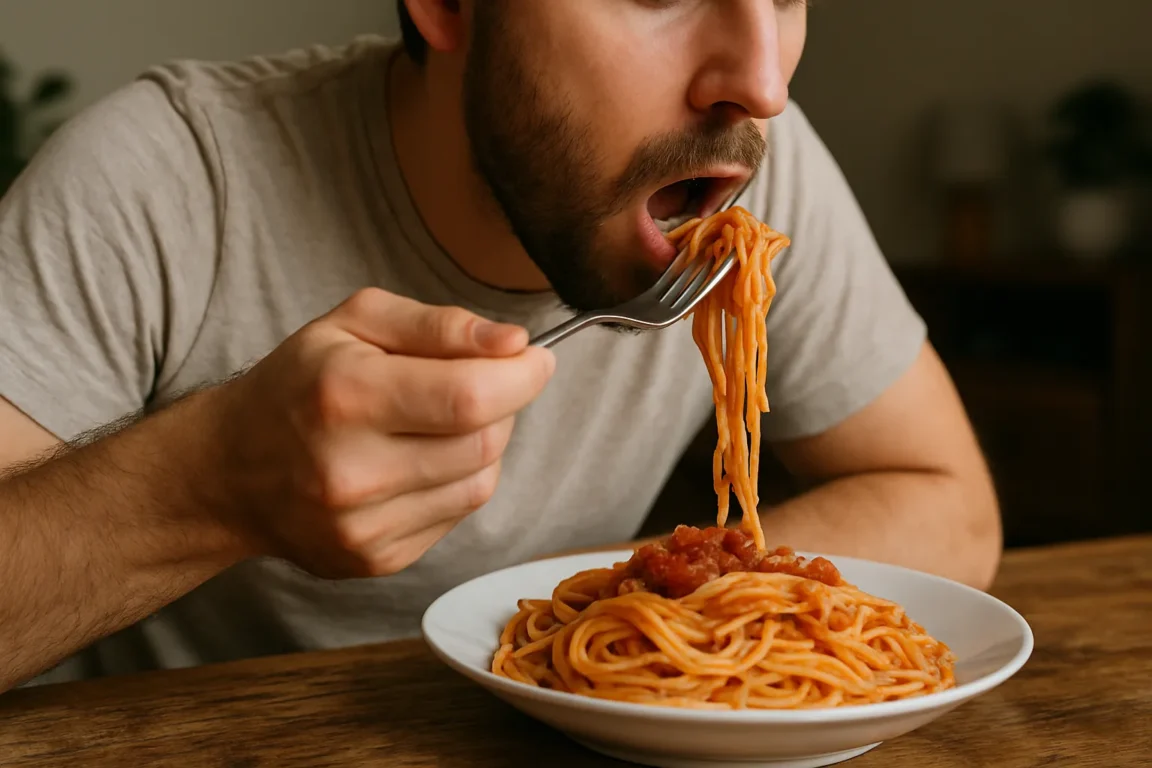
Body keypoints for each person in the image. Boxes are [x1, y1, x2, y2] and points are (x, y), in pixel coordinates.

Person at [0, 0, 1001, 693]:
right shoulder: (164, 176)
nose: (763, 83)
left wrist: (651, 617)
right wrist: (205, 488)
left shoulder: (755, 178)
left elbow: (948, 503)